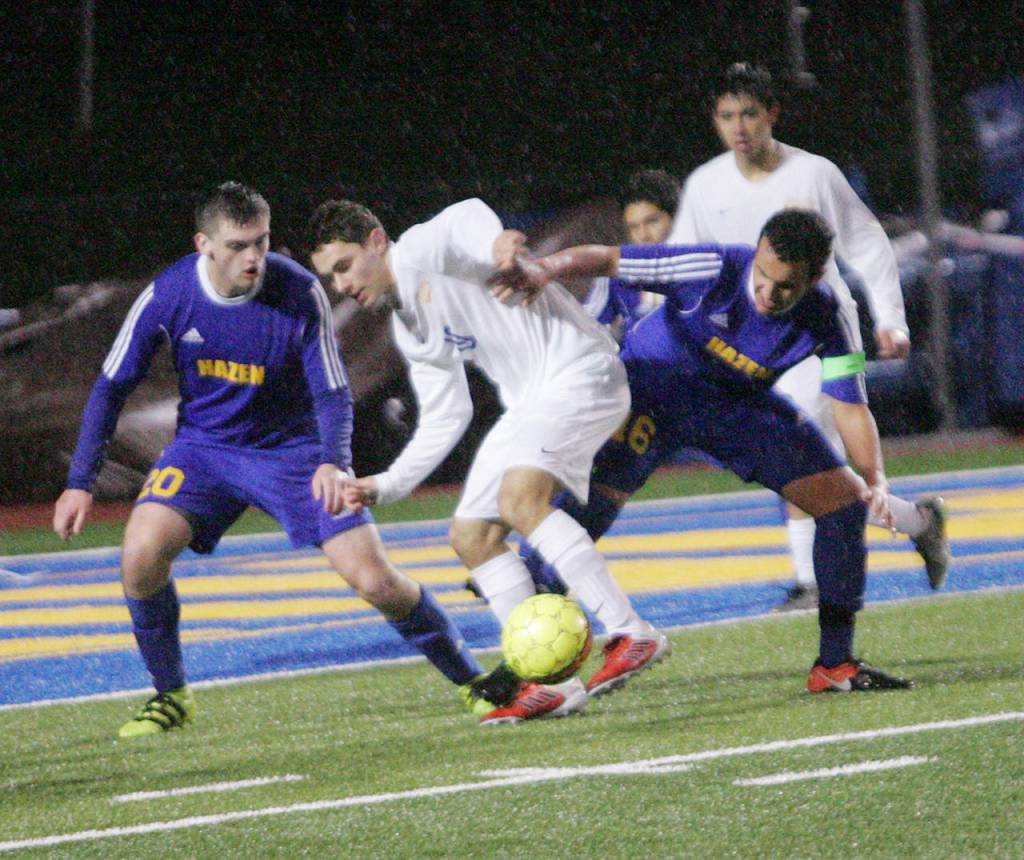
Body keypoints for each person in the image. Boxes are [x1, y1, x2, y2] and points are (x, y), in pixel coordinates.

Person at [53, 182, 492, 737]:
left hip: (293, 452)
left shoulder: (297, 290)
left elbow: (332, 392)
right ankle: (171, 696)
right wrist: (79, 481)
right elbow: (112, 386)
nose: (255, 257)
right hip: (205, 450)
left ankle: (475, 682)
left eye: (261, 241)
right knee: (139, 556)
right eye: (238, 245)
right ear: (204, 246)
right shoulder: (169, 293)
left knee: (374, 580)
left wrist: (333, 461)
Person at [497, 208, 914, 692]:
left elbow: (850, 406)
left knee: (842, 506)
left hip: (735, 408)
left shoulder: (828, 314)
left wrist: (875, 478)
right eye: (764, 276)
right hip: (651, 390)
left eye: (787, 287)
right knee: (580, 518)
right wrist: (546, 269)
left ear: (816, 277)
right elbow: (609, 259)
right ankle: (520, 672)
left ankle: (835, 665)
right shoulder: (713, 267)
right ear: (756, 253)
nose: (767, 294)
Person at [307, 197, 669, 724]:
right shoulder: (410, 324)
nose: (340, 284)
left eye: (344, 265)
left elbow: (465, 216)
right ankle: (554, 684)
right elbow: (447, 413)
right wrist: (385, 484)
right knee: (471, 536)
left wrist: (495, 244)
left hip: (580, 371)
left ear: (377, 243)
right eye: (329, 276)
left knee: (520, 499)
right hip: (534, 402)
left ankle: (631, 631)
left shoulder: (422, 252)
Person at [667, 63, 950, 611]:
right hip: (748, 347)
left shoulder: (813, 174)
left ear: (772, 114)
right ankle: (919, 521)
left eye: (750, 113)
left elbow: (867, 242)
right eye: (727, 116)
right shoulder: (705, 185)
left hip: (819, 341)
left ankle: (809, 584)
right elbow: (680, 264)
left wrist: (891, 317)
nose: (739, 126)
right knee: (809, 466)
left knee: (795, 434)